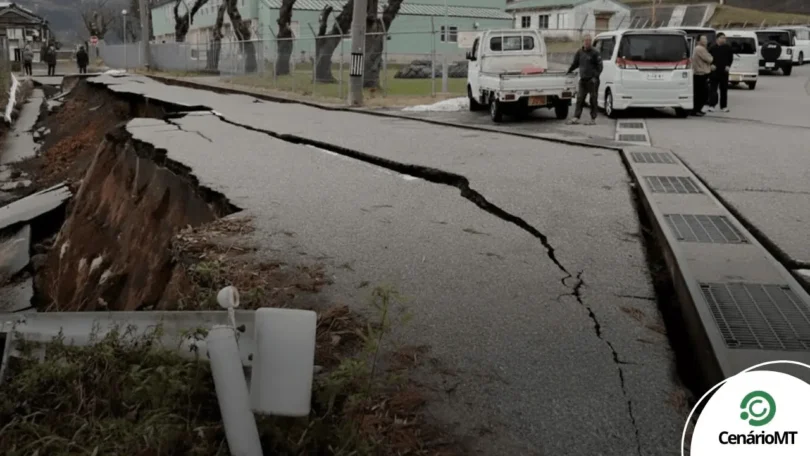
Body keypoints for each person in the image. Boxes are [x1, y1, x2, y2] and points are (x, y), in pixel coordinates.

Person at [565, 34, 602, 125]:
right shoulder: (580, 52)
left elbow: (600, 67)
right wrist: (568, 71)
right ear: (583, 42)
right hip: (583, 80)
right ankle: (576, 117)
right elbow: (575, 64)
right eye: (586, 41)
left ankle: (593, 118)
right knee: (580, 98)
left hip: (592, 80)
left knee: (593, 99)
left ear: (591, 42)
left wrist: (595, 77)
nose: (587, 42)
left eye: (589, 41)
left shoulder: (595, 53)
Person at [708, 32, 733, 113]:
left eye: (724, 38)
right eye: (722, 38)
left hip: (724, 72)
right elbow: (708, 58)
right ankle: (712, 105)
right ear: (717, 39)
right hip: (714, 72)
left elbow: (730, 58)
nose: (724, 39)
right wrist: (710, 65)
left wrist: (728, 65)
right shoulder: (712, 48)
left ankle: (724, 106)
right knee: (713, 90)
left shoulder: (728, 48)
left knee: (724, 90)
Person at [691, 35, 713, 117]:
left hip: (700, 73)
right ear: (698, 41)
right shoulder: (700, 49)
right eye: (703, 39)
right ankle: (696, 110)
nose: (705, 41)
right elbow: (710, 59)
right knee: (702, 94)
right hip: (700, 74)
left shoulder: (700, 49)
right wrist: (711, 57)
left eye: (706, 39)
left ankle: (697, 109)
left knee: (700, 93)